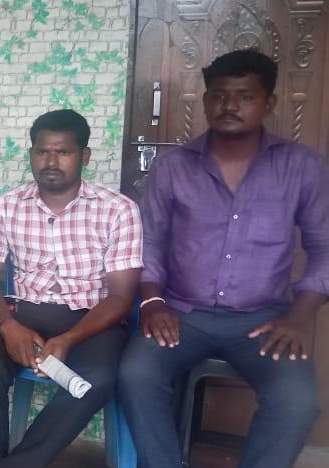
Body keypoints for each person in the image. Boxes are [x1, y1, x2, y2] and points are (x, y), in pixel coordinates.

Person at [119, 49, 328, 468]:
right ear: (205, 100)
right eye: (219, 95)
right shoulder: (173, 167)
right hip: (182, 313)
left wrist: (301, 314)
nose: (230, 106)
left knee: (297, 400)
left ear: (268, 103)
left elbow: (324, 245)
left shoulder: (302, 166)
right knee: (136, 375)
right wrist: (153, 300)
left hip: (263, 319)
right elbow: (151, 240)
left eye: (245, 96)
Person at [0, 109, 142, 467]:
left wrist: (69, 339)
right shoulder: (6, 207)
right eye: (42, 151)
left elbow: (121, 296)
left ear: (84, 156)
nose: (51, 161)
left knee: (97, 378)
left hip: (91, 319)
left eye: (63, 152)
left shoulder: (118, 210)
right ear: (31, 154)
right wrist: (7, 326)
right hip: (23, 313)